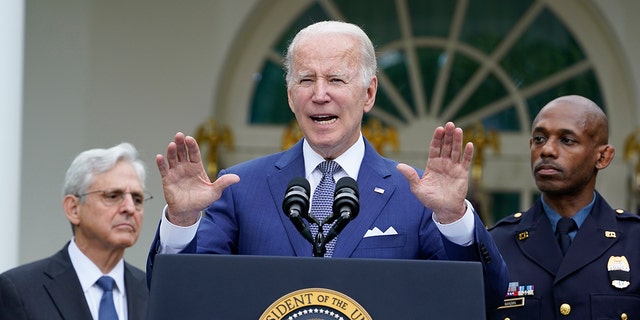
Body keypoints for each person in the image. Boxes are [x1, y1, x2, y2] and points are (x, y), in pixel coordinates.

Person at [147, 20, 508, 310]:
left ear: (369, 93)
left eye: (336, 79)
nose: (320, 94)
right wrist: (181, 223)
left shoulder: (415, 195)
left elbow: (483, 301)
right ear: (290, 96)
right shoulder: (240, 187)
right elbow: (183, 298)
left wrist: (453, 219)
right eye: (306, 80)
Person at [488, 95, 640, 319]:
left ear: (603, 157)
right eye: (539, 138)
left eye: (567, 140)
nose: (547, 150)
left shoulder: (634, 241)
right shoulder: (496, 244)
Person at [0, 143, 150, 320]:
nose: (130, 208)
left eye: (137, 199)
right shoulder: (20, 290)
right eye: (112, 196)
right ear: (73, 208)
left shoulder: (153, 291)